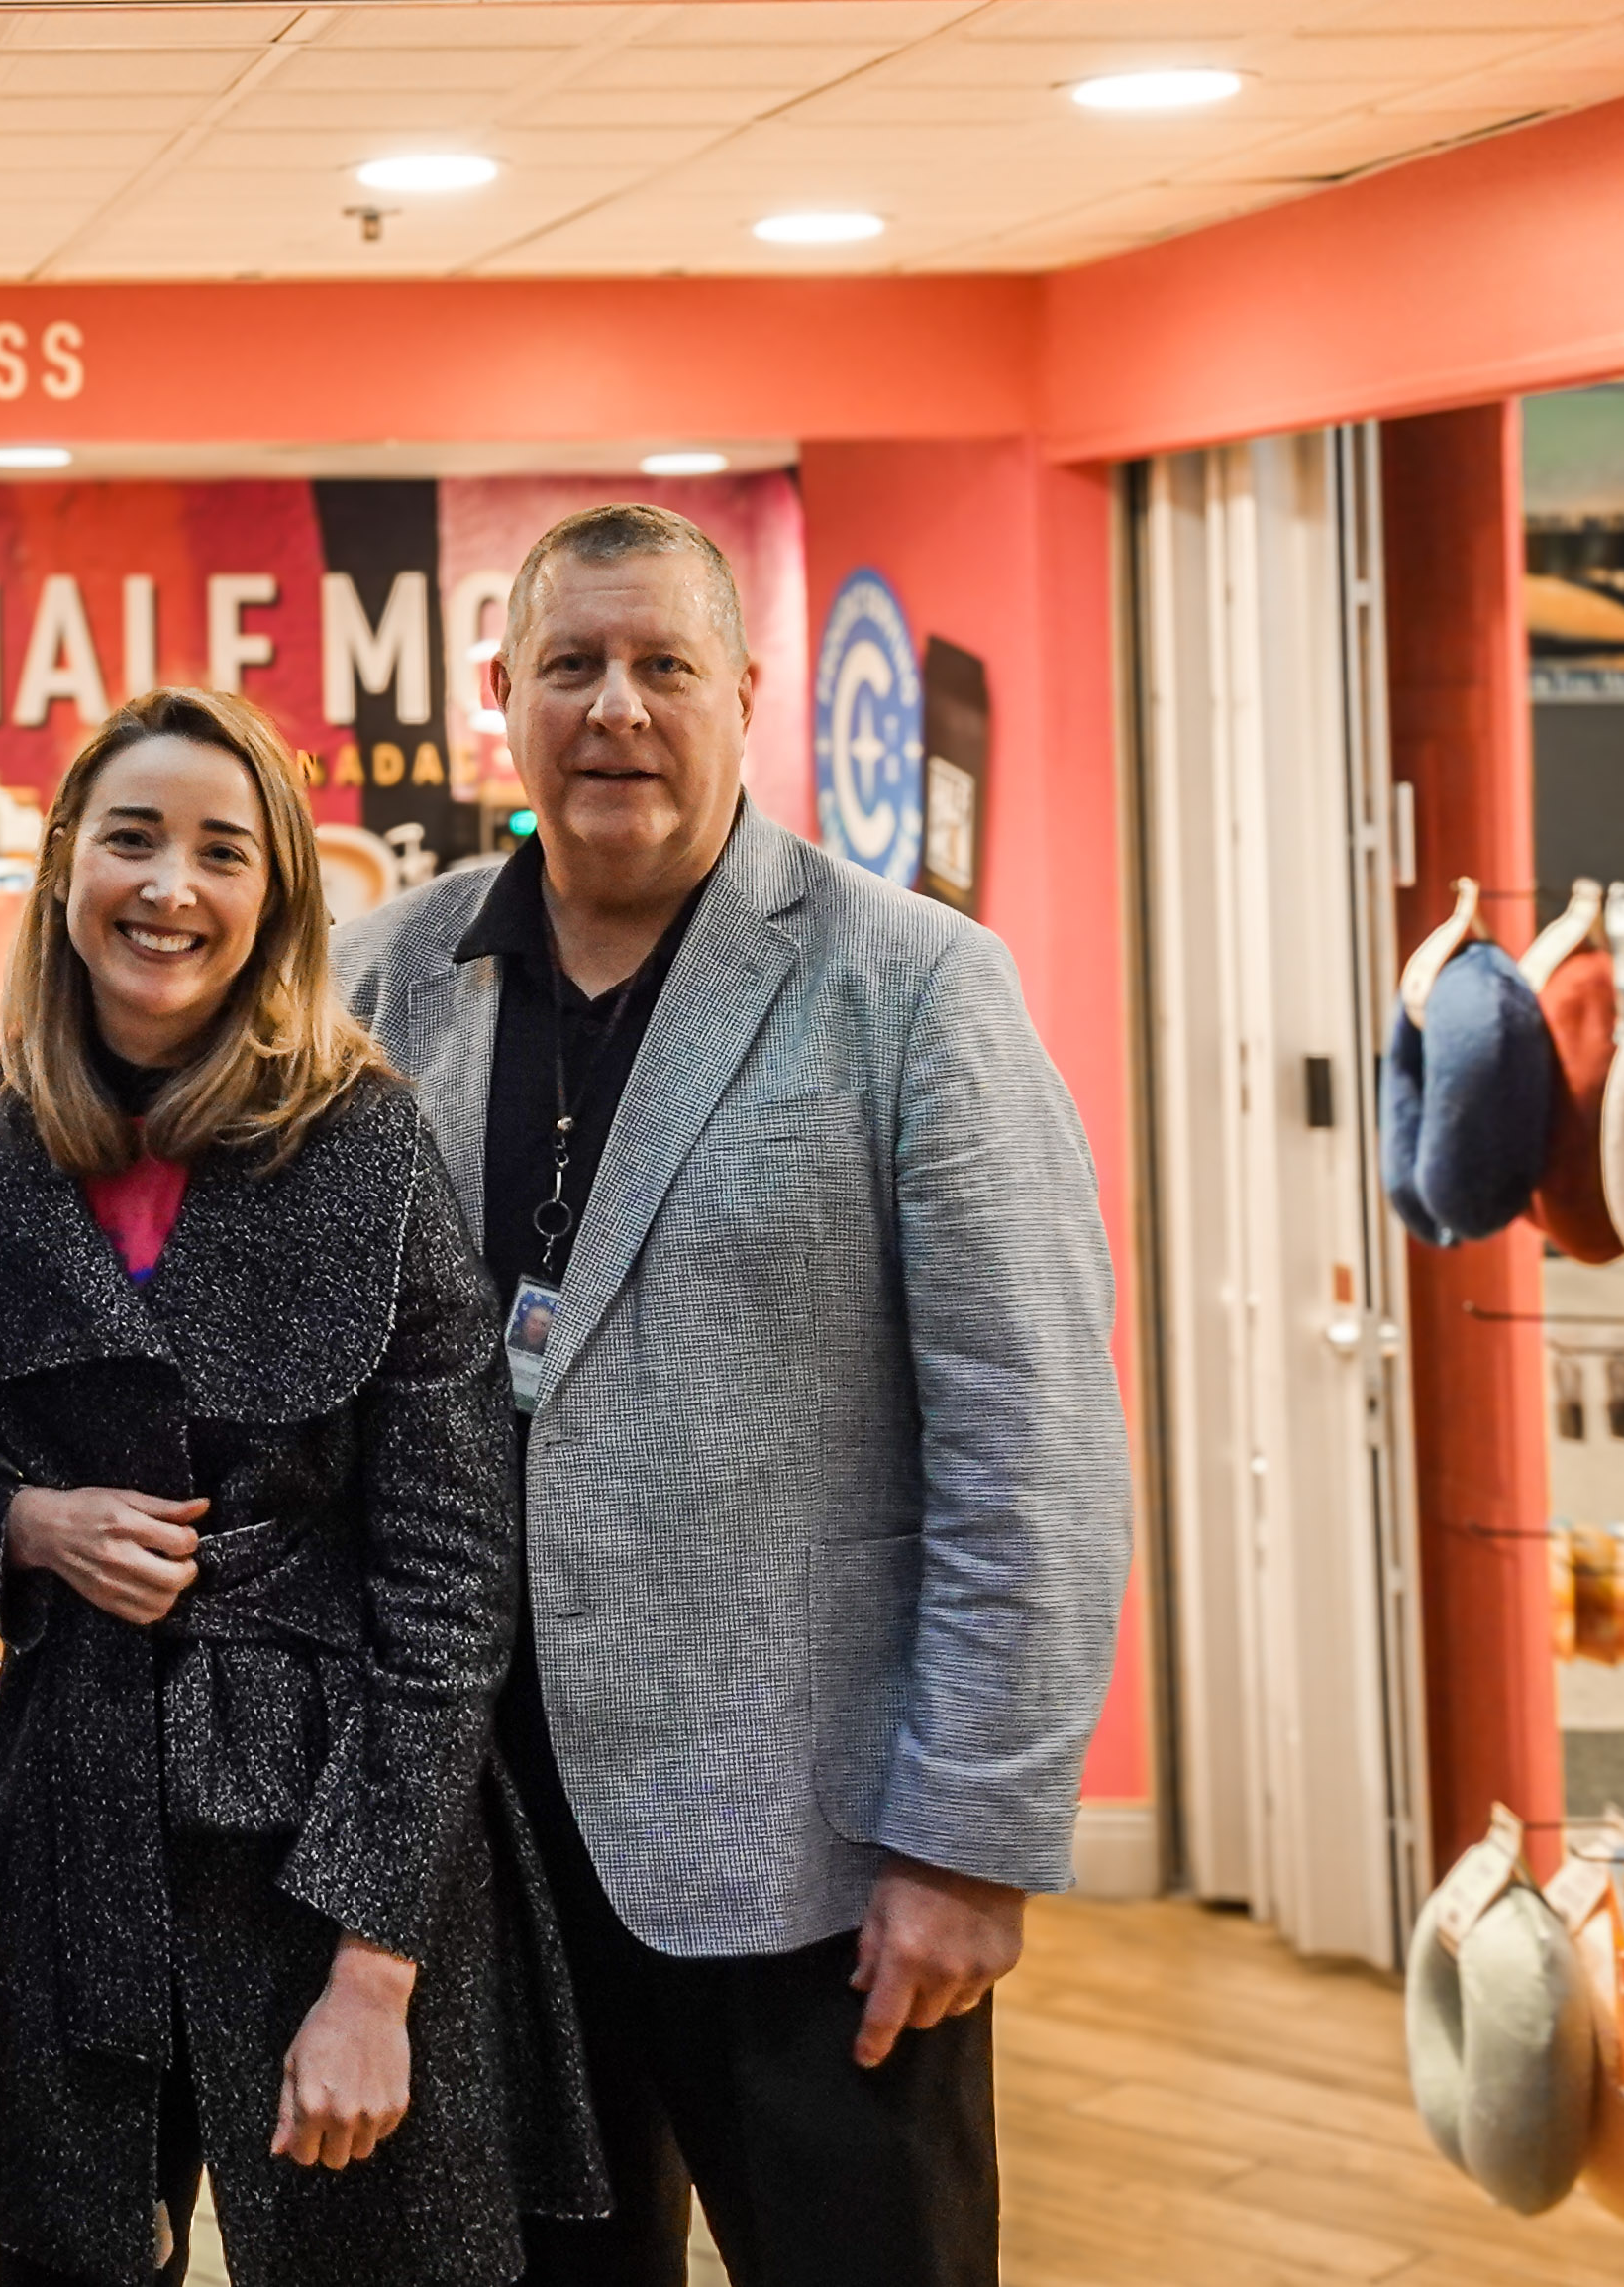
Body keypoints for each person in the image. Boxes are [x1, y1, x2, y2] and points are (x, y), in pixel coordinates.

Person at [332, 508, 1128, 2287]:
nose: (615, 706)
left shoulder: (910, 982)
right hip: (481, 1857)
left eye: (661, 663)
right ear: (502, 701)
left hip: (817, 1864)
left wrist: (969, 1836)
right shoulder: (387, 976)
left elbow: (1036, 1450)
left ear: (742, 693)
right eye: (571, 664)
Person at [0, 689, 603, 2287]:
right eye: (132, 836)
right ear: (65, 858)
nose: (171, 885)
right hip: (69, 1815)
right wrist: (22, 1522)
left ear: (277, 894)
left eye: (224, 850)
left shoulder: (366, 1145)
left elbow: (447, 1579)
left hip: (330, 1820)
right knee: (75, 2254)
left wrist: (376, 1967)